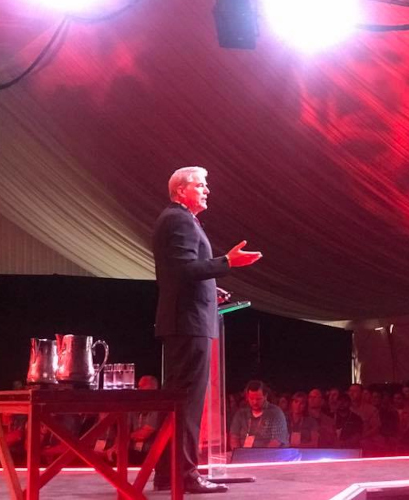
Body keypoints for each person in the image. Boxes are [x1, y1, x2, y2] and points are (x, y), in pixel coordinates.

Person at [152, 166, 262, 494]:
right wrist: (227, 262)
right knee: (186, 403)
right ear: (181, 190)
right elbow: (184, 269)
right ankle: (185, 474)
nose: (207, 190)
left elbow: (182, 272)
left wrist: (211, 288)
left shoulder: (179, 219)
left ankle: (168, 473)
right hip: (188, 322)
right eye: (200, 185)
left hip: (185, 320)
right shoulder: (179, 220)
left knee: (179, 402)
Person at [229, 381, 289, 449]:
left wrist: (261, 454)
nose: (255, 402)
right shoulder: (241, 414)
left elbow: (277, 440)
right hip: (243, 453)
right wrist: (238, 452)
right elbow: (234, 437)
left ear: (265, 396)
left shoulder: (276, 413)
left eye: (258, 399)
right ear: (247, 397)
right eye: (251, 398)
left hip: (268, 453)